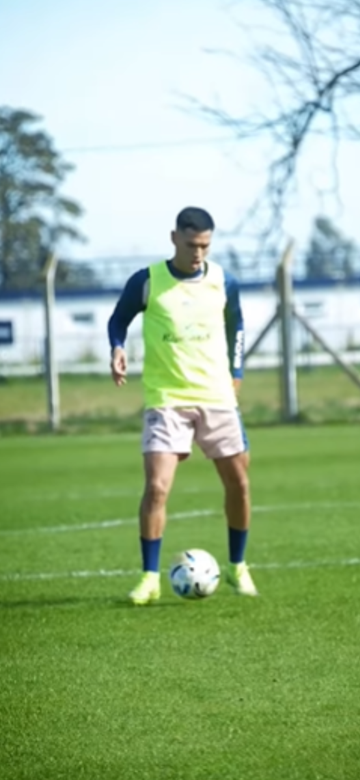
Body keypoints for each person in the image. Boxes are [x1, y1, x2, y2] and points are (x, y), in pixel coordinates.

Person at [107, 207, 257, 604]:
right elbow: (117, 320)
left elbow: (236, 324)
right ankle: (149, 578)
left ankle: (237, 566)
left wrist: (236, 371)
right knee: (157, 487)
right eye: (192, 245)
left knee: (239, 484)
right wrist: (117, 348)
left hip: (217, 397)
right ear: (174, 237)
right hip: (166, 399)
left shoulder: (225, 281)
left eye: (206, 245)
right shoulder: (147, 281)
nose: (198, 253)